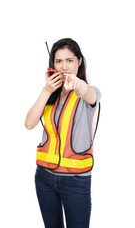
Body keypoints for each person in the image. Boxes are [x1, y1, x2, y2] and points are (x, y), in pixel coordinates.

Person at [25, 38, 101, 228]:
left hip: (76, 181)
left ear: (79, 61)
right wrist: (46, 90)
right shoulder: (50, 94)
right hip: (44, 178)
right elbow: (29, 124)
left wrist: (77, 84)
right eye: (58, 61)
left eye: (69, 60)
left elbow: (88, 94)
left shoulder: (89, 93)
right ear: (52, 65)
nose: (64, 66)